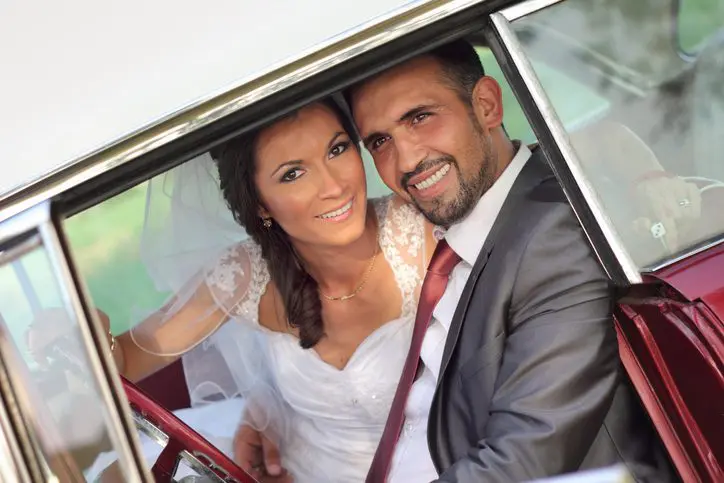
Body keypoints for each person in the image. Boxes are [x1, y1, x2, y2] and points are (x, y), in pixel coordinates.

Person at [344, 39, 675, 482]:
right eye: (380, 141)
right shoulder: (463, 231)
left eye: (420, 117)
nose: (406, 160)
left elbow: (526, 453)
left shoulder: (554, 231)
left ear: (486, 105)